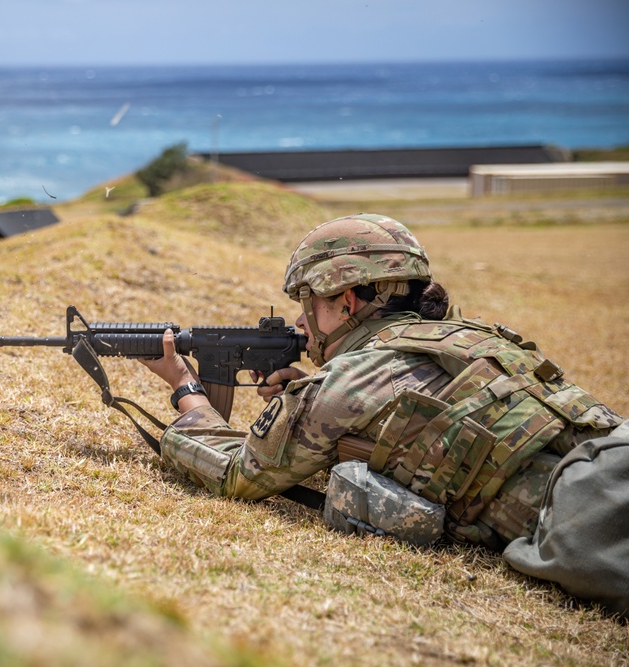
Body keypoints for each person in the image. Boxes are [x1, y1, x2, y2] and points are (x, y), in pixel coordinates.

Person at [140, 213, 628, 612]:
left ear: (346, 300)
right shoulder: (474, 337)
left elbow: (237, 477)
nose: (301, 319)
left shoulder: (351, 380)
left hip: (588, 515)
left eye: (308, 301)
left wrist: (186, 389)